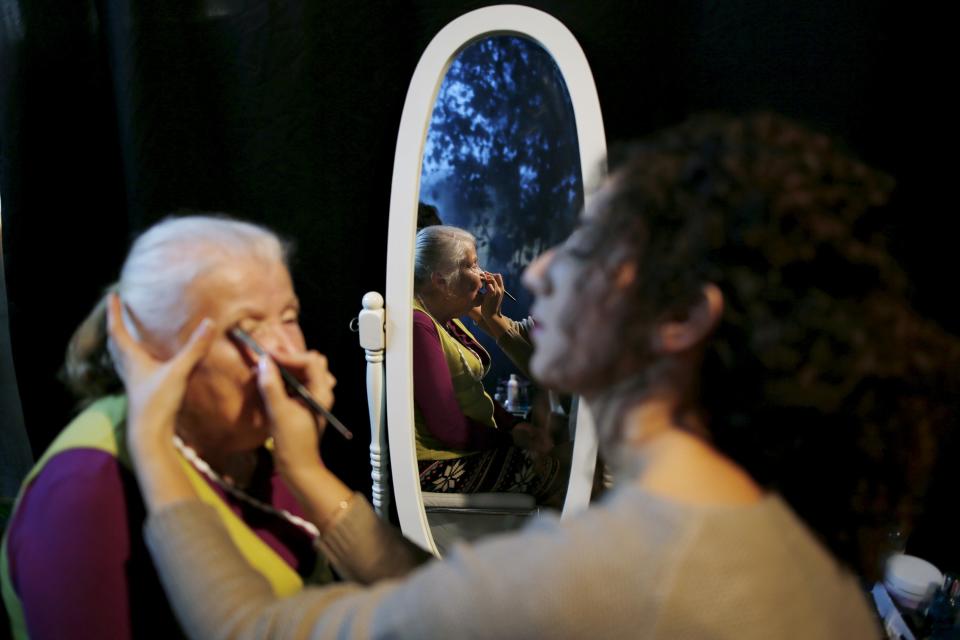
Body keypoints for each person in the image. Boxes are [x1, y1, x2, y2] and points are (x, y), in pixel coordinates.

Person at [121, 113, 960, 638]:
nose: (547, 266)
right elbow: (458, 602)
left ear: (681, 321)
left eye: (590, 246)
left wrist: (152, 445)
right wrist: (307, 473)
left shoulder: (625, 573)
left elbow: (247, 630)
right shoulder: (759, 531)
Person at [0, 216, 424, 640]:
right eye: (246, 330)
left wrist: (307, 470)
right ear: (150, 351)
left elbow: (423, 600)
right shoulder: (85, 488)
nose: (286, 353)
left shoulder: (263, 442)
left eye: (289, 316)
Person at [412, 224, 565, 502]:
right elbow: (449, 427)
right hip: (438, 462)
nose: (484, 276)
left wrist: (512, 426)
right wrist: (510, 440)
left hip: (465, 448)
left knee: (564, 455)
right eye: (471, 265)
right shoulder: (419, 325)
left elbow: (468, 390)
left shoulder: (447, 318)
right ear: (440, 281)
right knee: (560, 470)